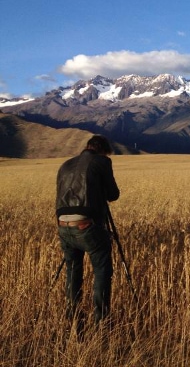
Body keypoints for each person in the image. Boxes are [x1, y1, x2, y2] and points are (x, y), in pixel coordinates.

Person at [56, 134, 120, 328]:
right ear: (102, 150)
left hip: (63, 225)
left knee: (72, 270)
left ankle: (72, 317)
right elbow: (113, 194)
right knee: (102, 270)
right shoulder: (101, 161)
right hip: (87, 224)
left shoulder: (66, 165)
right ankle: (101, 322)